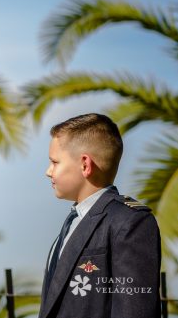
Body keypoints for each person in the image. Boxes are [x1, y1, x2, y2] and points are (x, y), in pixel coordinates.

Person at [38, 113, 161, 318]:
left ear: (85, 165)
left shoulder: (130, 222)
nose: (48, 171)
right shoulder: (73, 222)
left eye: (55, 162)